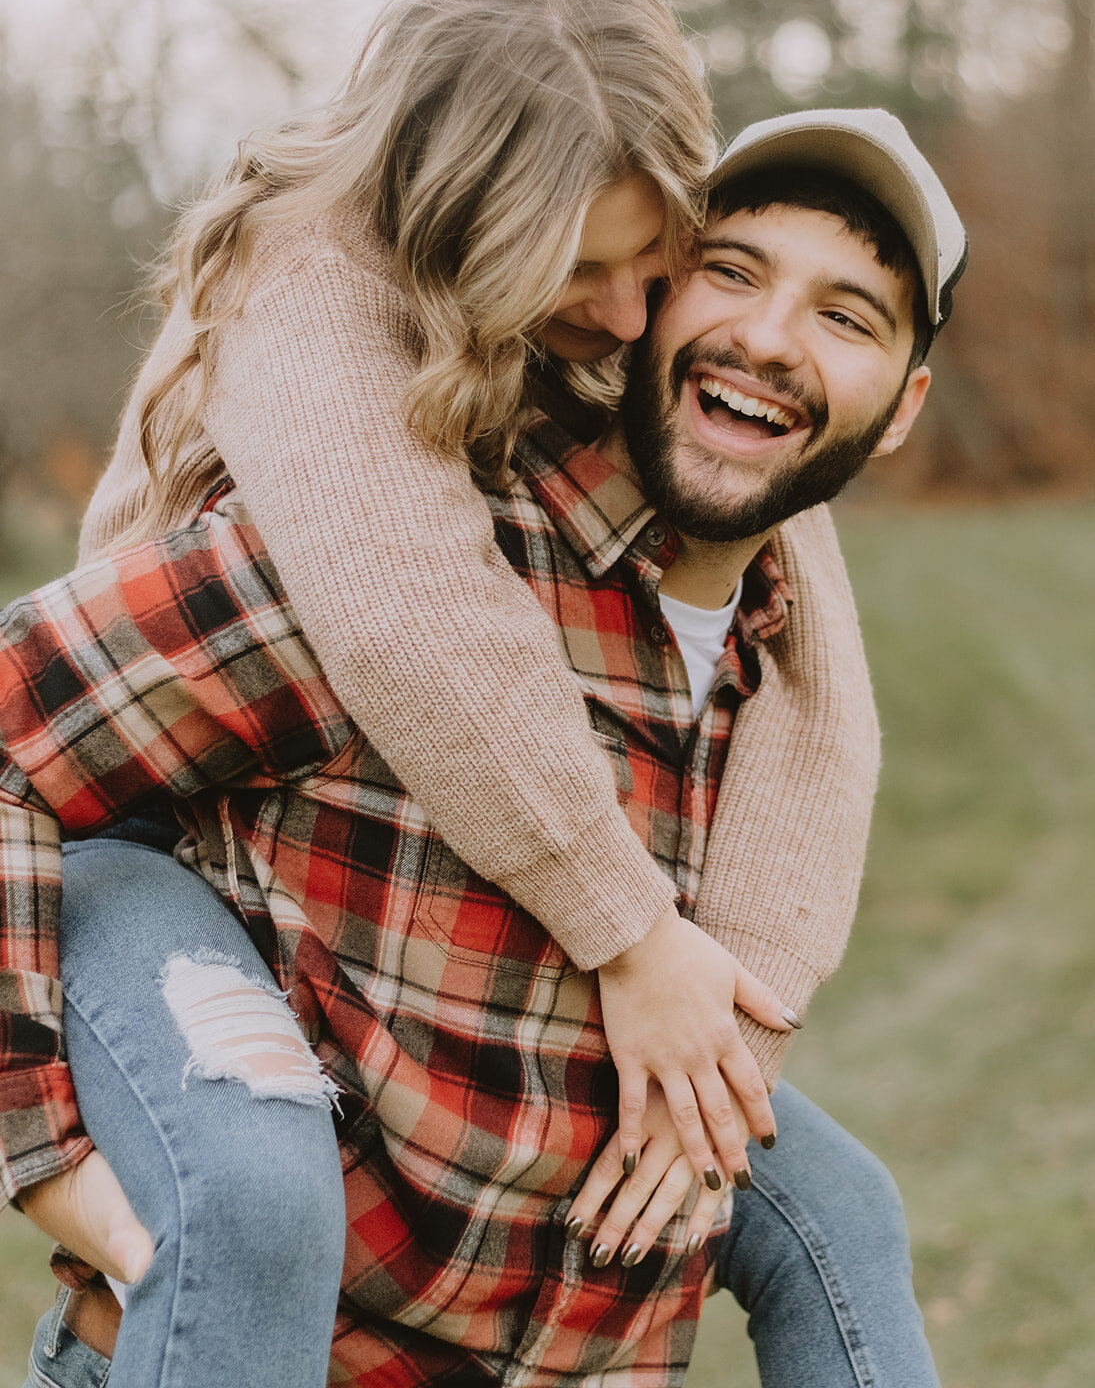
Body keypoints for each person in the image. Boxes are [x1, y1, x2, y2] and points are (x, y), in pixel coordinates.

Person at [0, 108, 967, 1387]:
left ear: (899, 411)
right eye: (731, 272)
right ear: (642, 302)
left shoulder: (776, 711)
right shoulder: (401, 567)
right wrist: (36, 1141)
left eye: (847, 315)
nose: (770, 339)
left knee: (848, 1210)